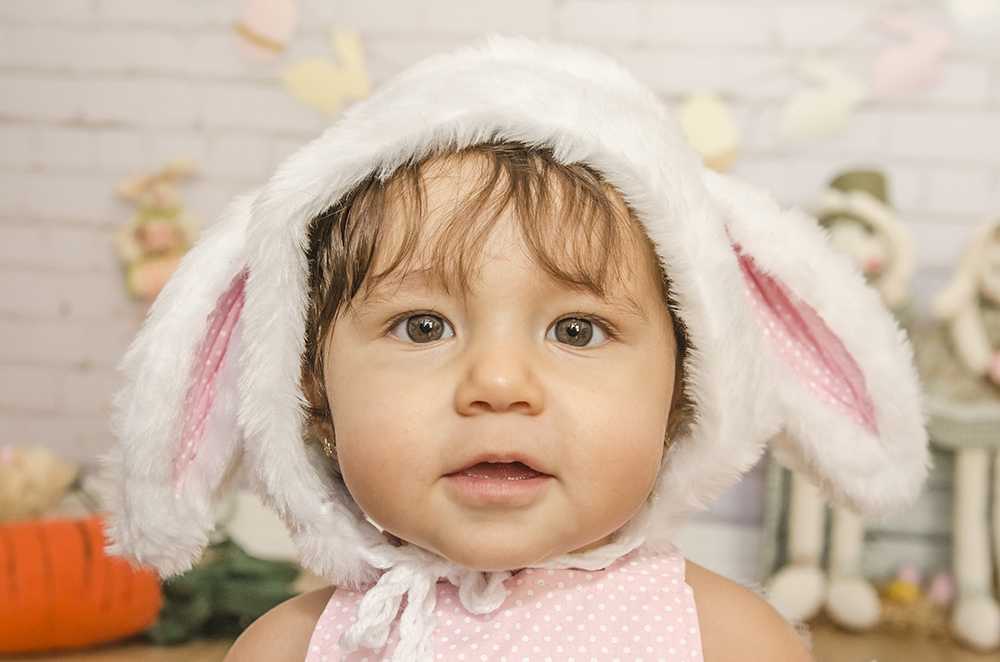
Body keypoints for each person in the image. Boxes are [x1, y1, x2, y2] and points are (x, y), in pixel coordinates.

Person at [106, 38, 928, 662]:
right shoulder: (291, 648)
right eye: (422, 327)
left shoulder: (730, 643)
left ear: (688, 390)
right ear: (310, 395)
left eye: (576, 330)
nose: (498, 383)